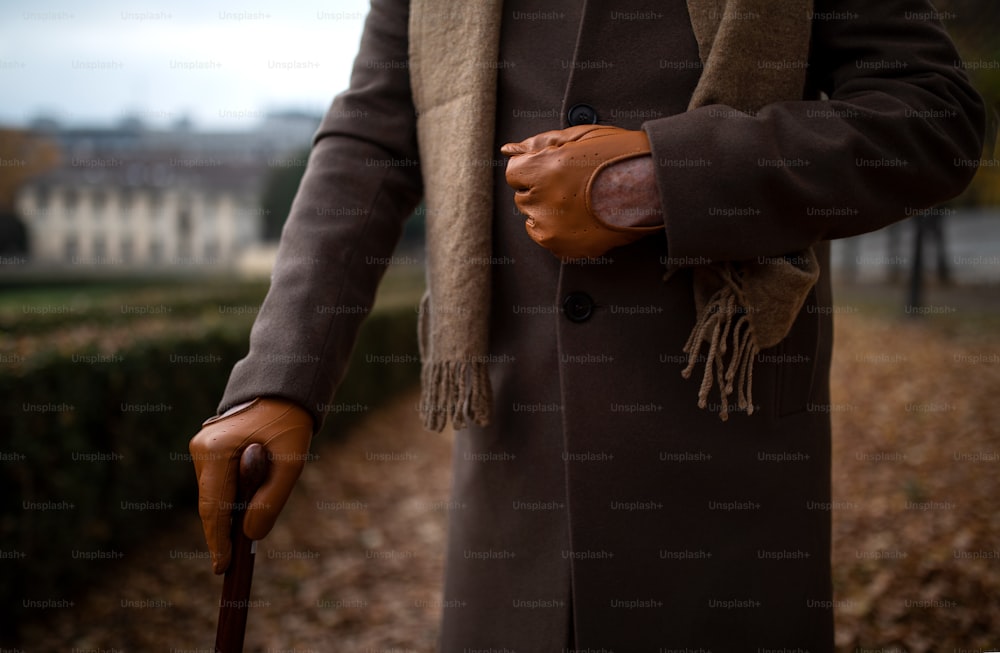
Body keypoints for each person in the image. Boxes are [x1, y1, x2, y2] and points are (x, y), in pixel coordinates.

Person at [189, 0, 985, 650]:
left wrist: (658, 181)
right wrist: (280, 379)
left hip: (728, 479)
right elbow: (371, 138)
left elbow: (931, 117)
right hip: (513, 481)